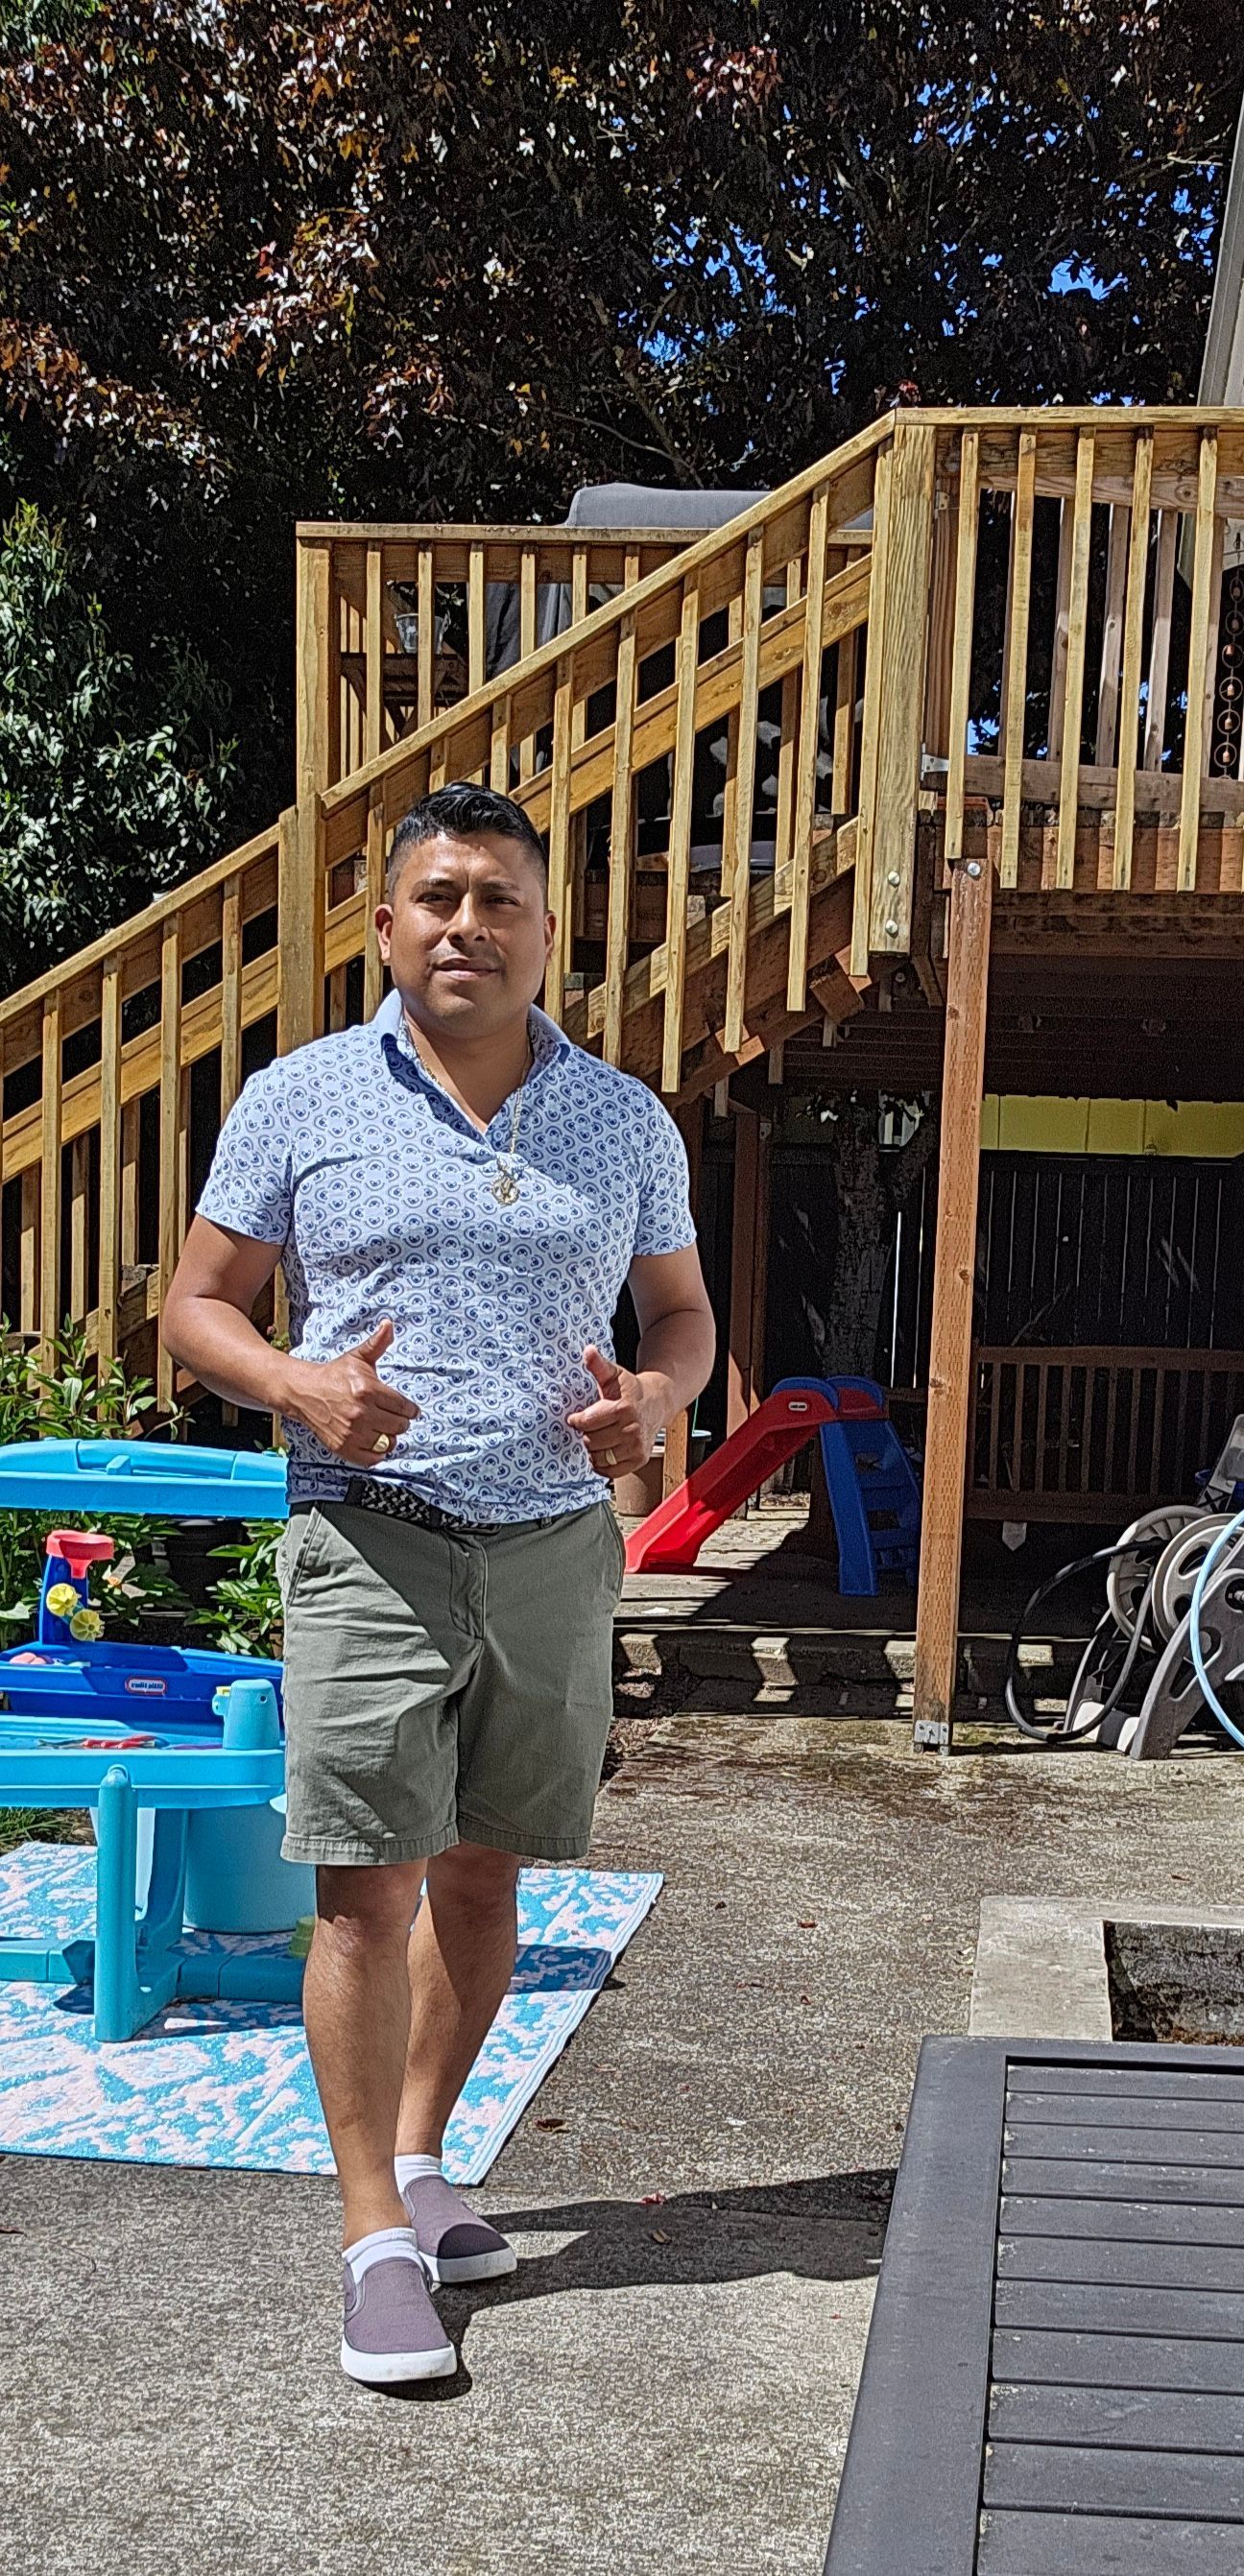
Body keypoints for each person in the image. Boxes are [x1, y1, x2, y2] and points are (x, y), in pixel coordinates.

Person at [162, 780, 715, 2386]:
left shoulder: (624, 1120)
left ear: (547, 929)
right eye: (439, 897)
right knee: (366, 1893)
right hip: (371, 1538)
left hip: (553, 1549)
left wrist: (659, 1398)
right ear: (388, 923)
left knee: (484, 1881)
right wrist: (296, 1383)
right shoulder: (301, 1097)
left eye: (499, 899)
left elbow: (685, 1318)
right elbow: (196, 1305)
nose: (468, 924)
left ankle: (418, 2164)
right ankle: (369, 2243)